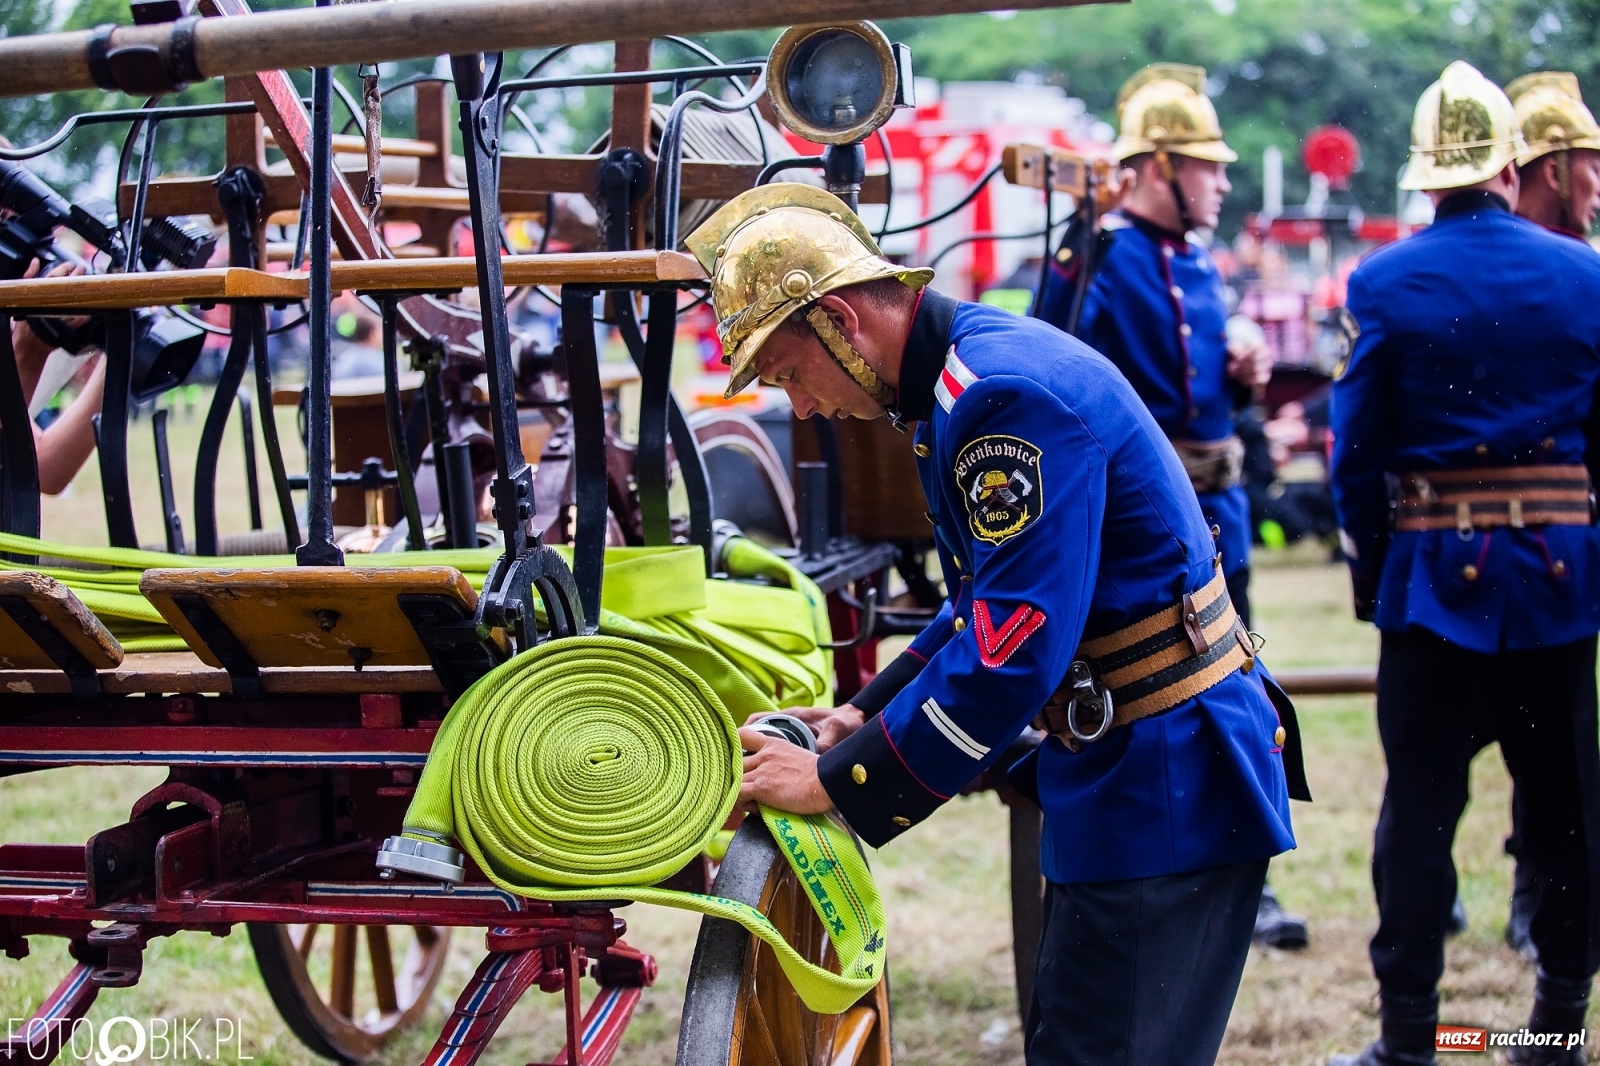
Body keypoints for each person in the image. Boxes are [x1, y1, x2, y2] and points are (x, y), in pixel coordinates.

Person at [700, 182, 1308, 1066]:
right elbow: (986, 596)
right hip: (1131, 771)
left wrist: (835, 777)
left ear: (839, 319)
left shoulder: (1001, 398)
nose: (800, 405)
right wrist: (863, 713)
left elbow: (1010, 651)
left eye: (792, 372)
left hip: (1162, 783)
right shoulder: (961, 381)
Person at [1328, 61, 1600, 1066]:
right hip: (1562, 585)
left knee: (1417, 814)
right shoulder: (1586, 276)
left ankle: (1412, 1042)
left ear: (1424, 175)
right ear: (1512, 165)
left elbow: (1353, 454)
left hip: (1434, 583)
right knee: (1567, 809)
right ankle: (1552, 1029)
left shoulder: (1383, 280)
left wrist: (1372, 580)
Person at [1034, 62, 1309, 950]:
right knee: (1165, 708)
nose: (1224, 183)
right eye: (1208, 167)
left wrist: (1241, 365)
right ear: (1158, 167)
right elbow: (1055, 393)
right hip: (1144, 533)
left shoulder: (1194, 262)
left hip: (1220, 508)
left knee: (1238, 695)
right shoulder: (1094, 258)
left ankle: (1245, 876)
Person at [1500, 70, 1600, 964]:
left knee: (1562, 752)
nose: (1599, 186)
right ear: (1552, 169)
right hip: (1488, 554)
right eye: (1589, 165)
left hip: (1570, 546)